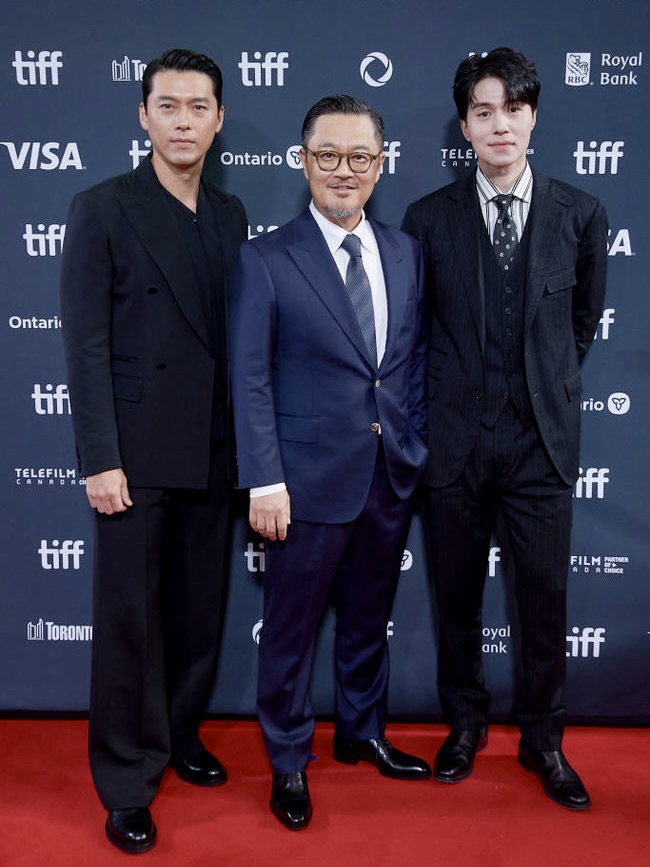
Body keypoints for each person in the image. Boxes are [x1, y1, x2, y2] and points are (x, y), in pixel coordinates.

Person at [402, 47, 607, 810]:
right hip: (454, 441)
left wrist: (541, 389)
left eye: (514, 109)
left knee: (543, 597)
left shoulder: (581, 213)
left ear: (533, 116)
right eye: (484, 111)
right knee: (455, 594)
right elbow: (417, 334)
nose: (500, 124)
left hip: (540, 442)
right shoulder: (428, 219)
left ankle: (544, 738)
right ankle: (464, 724)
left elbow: (580, 323)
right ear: (465, 124)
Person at [60, 48, 247, 853]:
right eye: (166, 106)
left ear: (218, 119)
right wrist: (100, 457)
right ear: (143, 116)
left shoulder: (231, 215)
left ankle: (179, 733)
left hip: (214, 447)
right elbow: (86, 345)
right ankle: (127, 778)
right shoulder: (102, 206)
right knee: (133, 621)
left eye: (197, 106)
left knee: (198, 611)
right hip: (133, 456)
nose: (182, 120)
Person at [230, 95, 431, 830]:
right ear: (303, 160)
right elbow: (250, 375)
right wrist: (265, 477)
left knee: (367, 619)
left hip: (389, 473)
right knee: (289, 628)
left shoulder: (406, 251)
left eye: (359, 157)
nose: (343, 171)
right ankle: (287, 758)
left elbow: (405, 364)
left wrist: (412, 444)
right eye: (327, 155)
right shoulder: (266, 257)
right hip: (303, 483)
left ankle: (362, 730)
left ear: (381, 164)